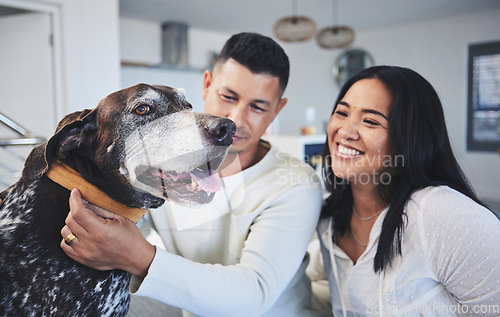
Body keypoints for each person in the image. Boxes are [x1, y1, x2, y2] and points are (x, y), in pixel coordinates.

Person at [59, 32, 326, 316]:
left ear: (277, 111)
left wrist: (139, 258)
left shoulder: (296, 184)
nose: (235, 119)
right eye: (228, 96)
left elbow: (254, 293)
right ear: (207, 85)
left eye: (258, 107)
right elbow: (112, 212)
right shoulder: (158, 165)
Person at [307, 65, 500, 316]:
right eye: (341, 113)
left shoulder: (443, 215)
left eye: (370, 121)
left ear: (408, 139)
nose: (345, 132)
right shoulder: (330, 217)